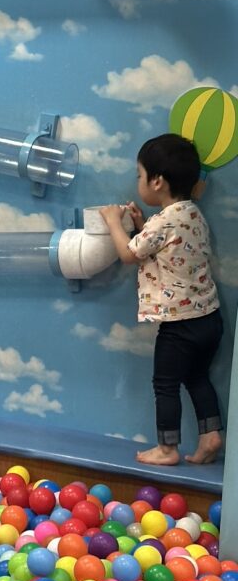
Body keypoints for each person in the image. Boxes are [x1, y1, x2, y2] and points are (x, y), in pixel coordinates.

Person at [100, 133, 223, 466]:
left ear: (157, 182)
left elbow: (129, 254)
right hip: (209, 319)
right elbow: (166, 249)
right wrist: (141, 224)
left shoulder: (163, 221)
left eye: (139, 175)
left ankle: (167, 448)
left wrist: (113, 222)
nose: (138, 181)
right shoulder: (192, 214)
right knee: (197, 377)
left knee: (165, 384)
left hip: (179, 325)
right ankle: (211, 434)